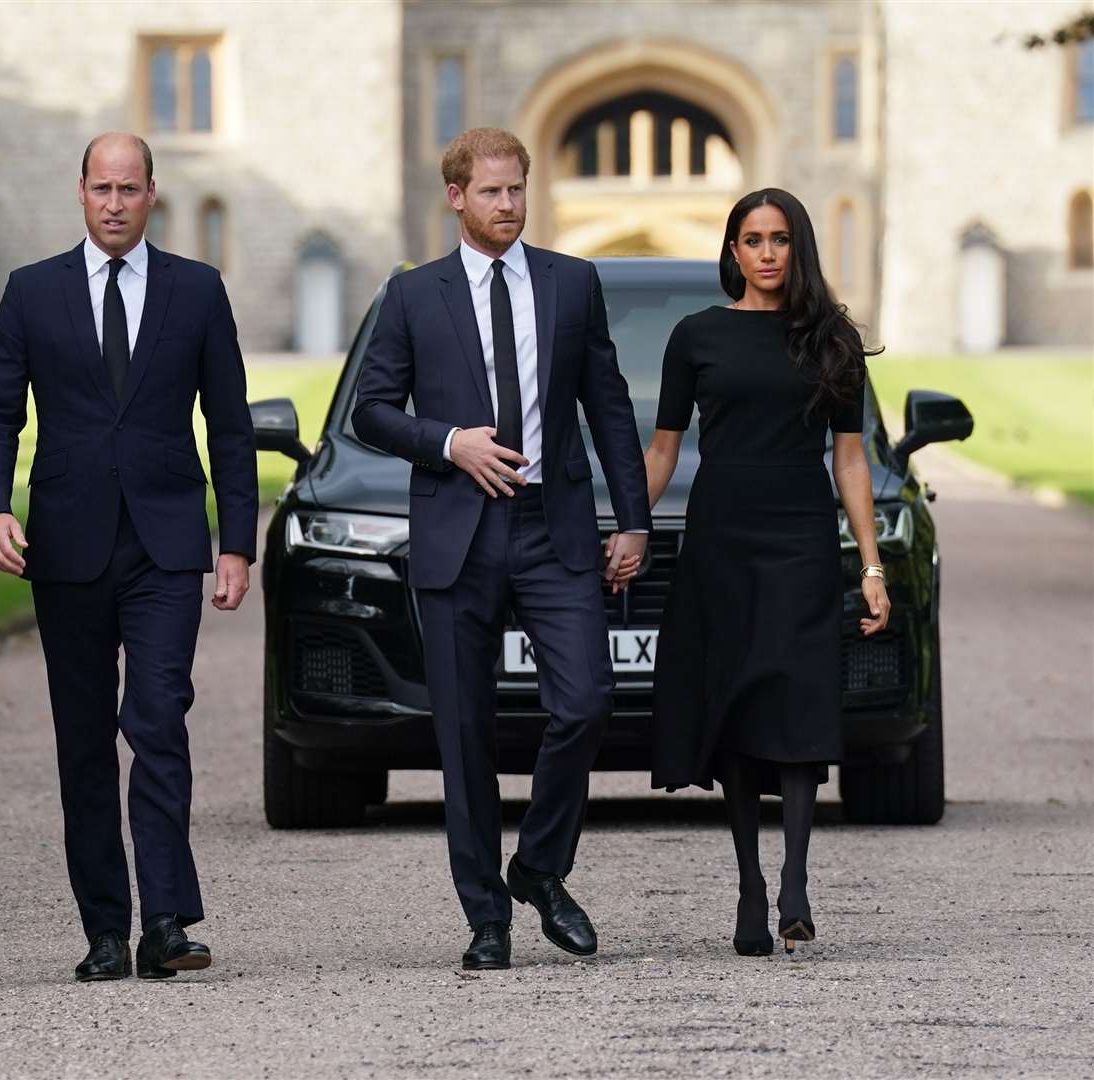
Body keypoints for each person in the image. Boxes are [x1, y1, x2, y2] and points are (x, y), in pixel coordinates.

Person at [352, 128, 650, 970]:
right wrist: (450, 443)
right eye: (491, 192)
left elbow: (610, 405)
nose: (509, 205)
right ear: (455, 196)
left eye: (518, 190)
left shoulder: (572, 282)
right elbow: (370, 411)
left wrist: (631, 518)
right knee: (465, 739)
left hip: (553, 530)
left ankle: (540, 869)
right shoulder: (414, 296)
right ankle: (487, 918)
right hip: (457, 533)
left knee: (587, 700)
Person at [0, 133, 258, 982]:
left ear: (153, 194)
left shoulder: (197, 290)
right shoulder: (32, 293)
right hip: (67, 543)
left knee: (158, 718)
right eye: (103, 188)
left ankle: (165, 920)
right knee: (85, 740)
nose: (117, 202)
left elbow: (231, 426)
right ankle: (104, 928)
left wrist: (235, 542)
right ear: (81, 192)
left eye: (131, 188)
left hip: (166, 543)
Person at [644, 188, 889, 957]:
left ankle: (795, 882)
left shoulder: (832, 340)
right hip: (721, 536)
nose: (766, 253)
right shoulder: (696, 336)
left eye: (780, 239)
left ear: (798, 247)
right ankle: (750, 883)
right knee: (737, 707)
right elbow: (663, 448)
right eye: (752, 240)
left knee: (798, 697)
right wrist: (627, 525)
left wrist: (872, 565)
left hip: (800, 536)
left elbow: (850, 460)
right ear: (733, 251)